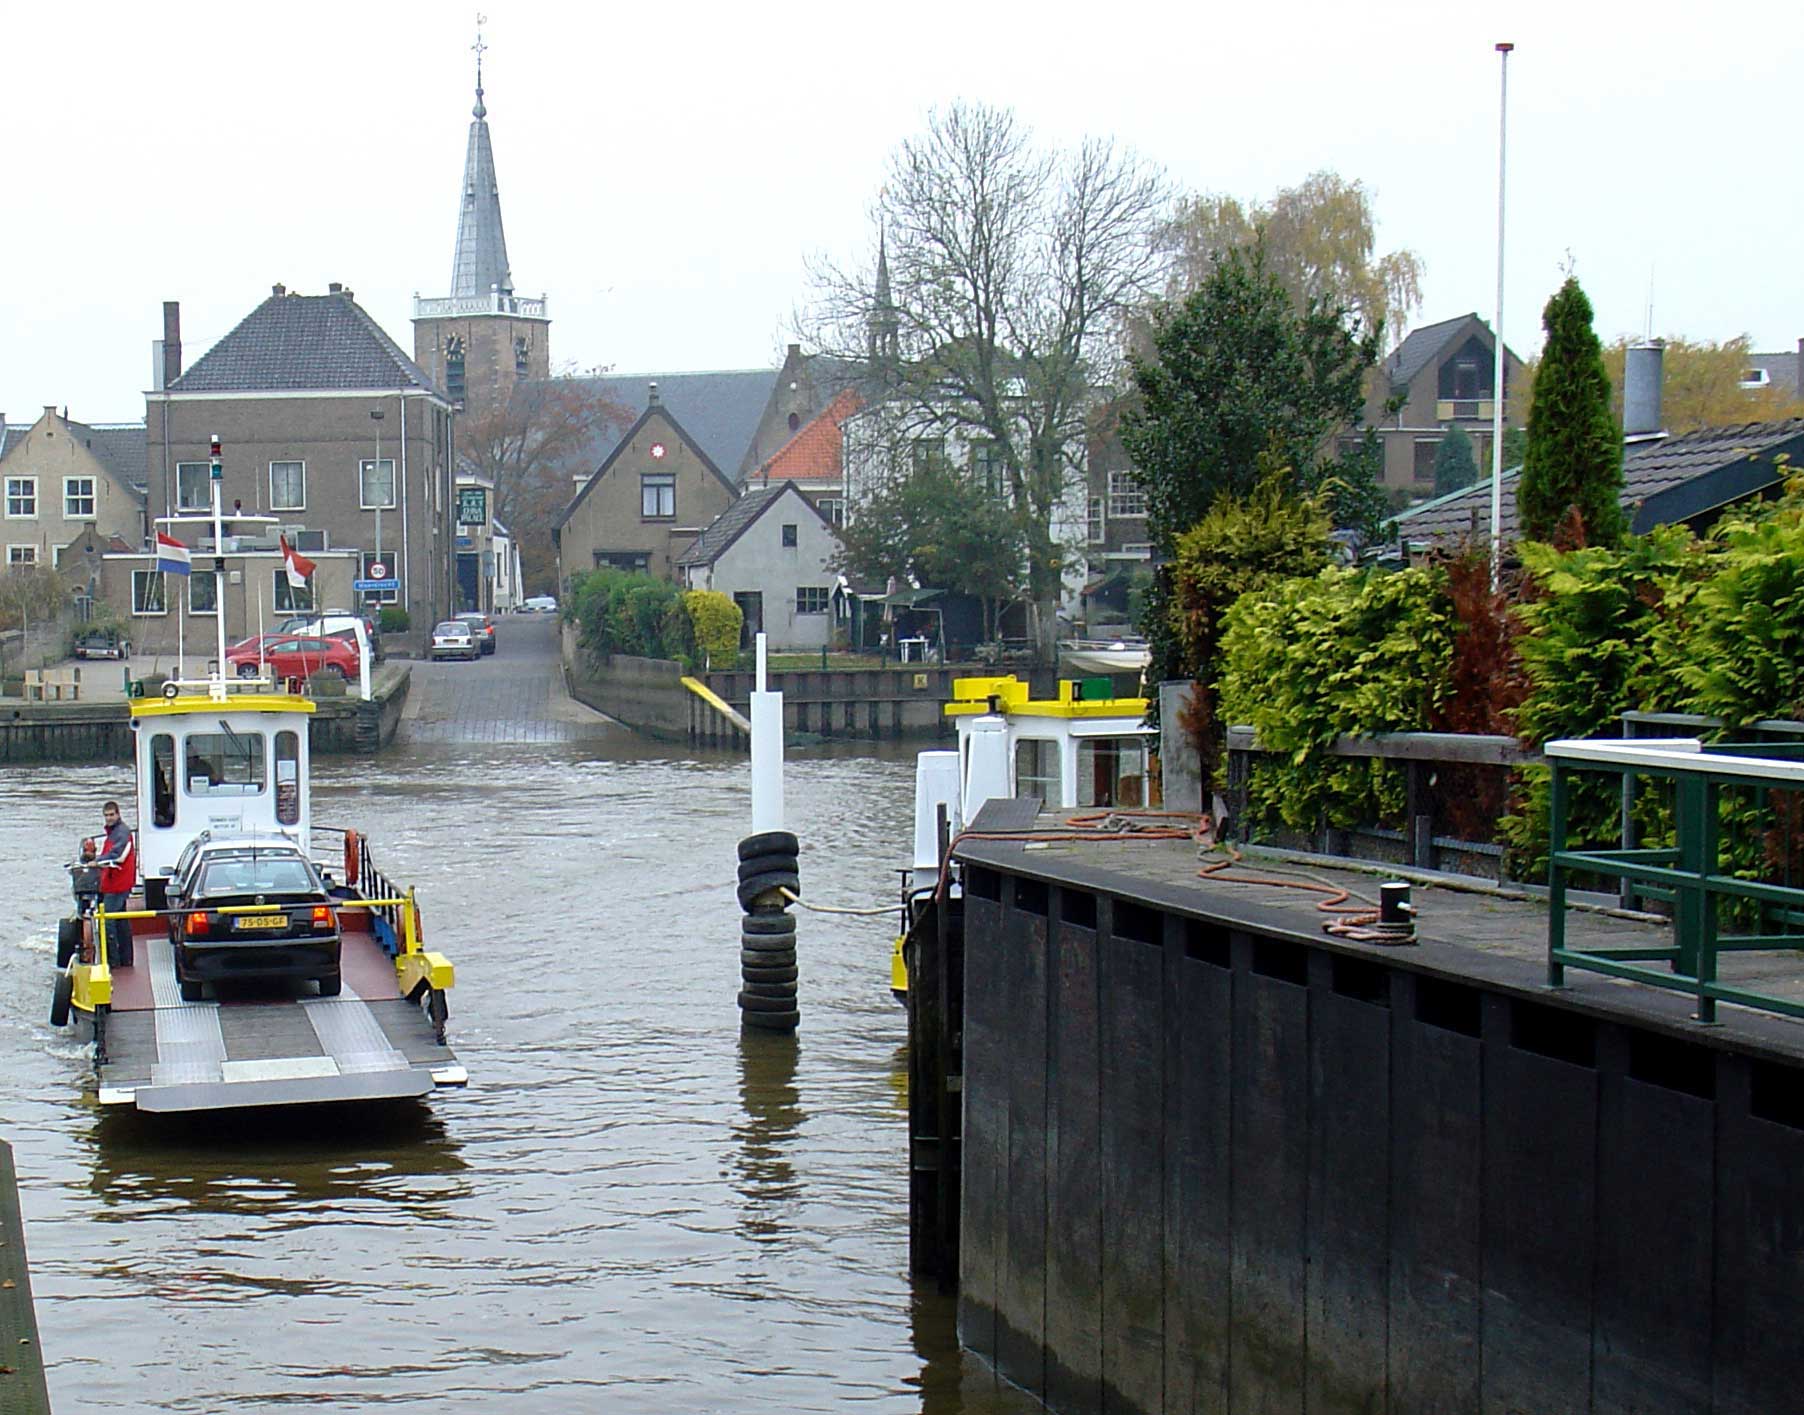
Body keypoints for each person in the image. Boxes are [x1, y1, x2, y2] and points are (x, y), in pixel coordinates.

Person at [93, 800, 135, 968]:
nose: (109, 818)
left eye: (111, 815)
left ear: (118, 814)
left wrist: (96, 861)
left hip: (118, 884)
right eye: (106, 816)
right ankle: (126, 959)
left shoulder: (121, 833)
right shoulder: (116, 832)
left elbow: (116, 854)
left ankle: (113, 961)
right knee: (120, 921)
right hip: (115, 883)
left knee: (108, 920)